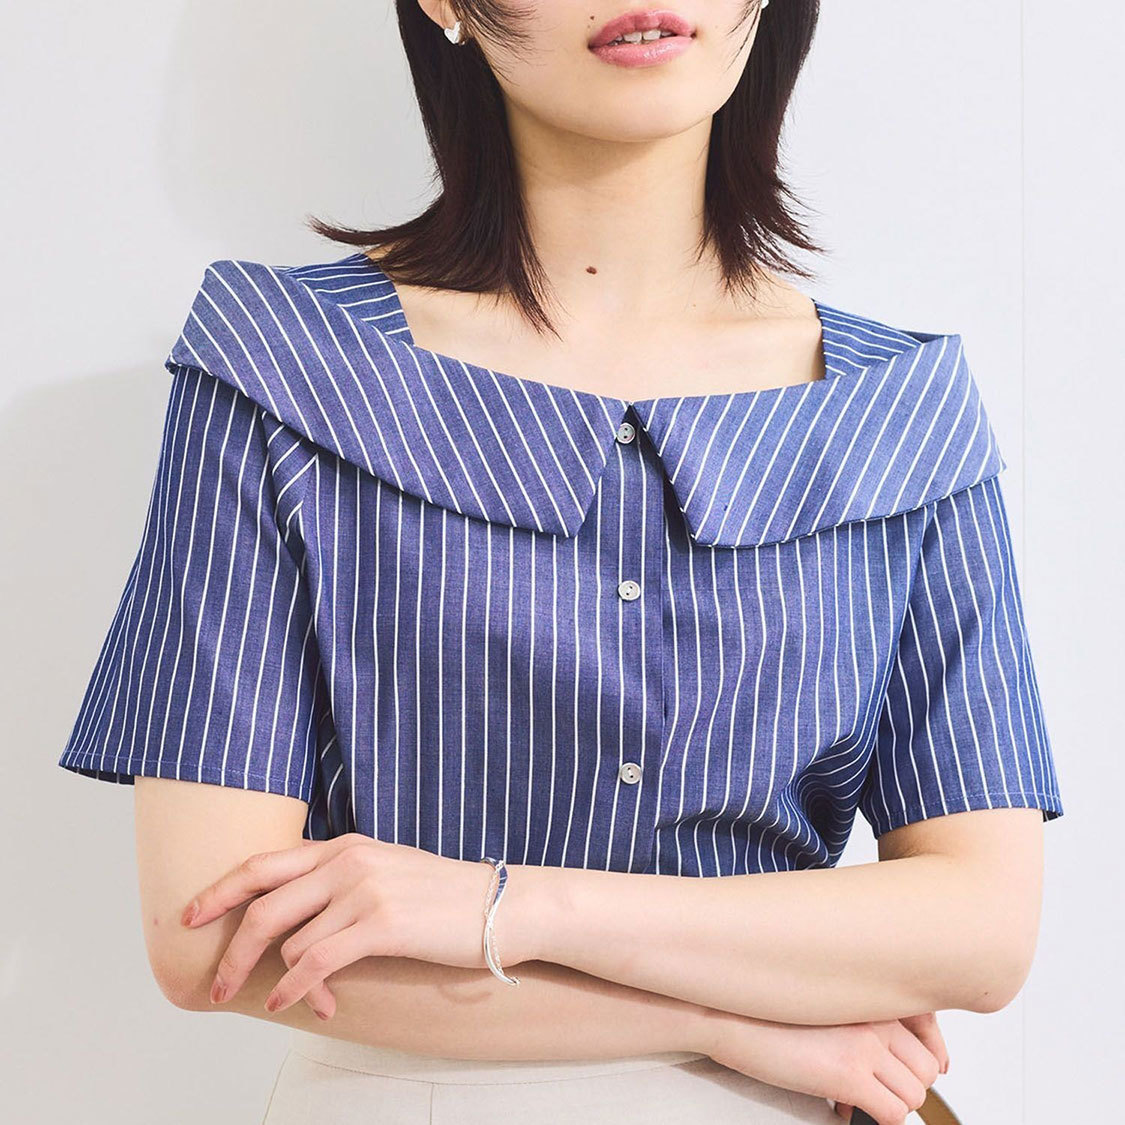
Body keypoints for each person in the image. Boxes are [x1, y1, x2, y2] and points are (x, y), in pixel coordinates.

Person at [58, 2, 1064, 1123]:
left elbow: (981, 930)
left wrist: (509, 907)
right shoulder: (280, 363)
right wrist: (726, 1017)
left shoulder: (900, 411)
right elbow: (214, 939)